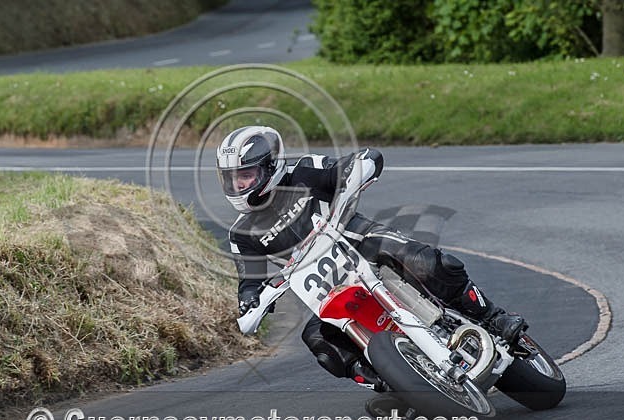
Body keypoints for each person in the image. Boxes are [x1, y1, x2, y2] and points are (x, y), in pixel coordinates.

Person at [217, 125, 527, 393]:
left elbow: (357, 162)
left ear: (270, 167)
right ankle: (393, 385)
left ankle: (493, 317)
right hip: (328, 291)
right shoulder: (241, 234)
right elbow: (249, 281)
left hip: (363, 242)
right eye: (231, 179)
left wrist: (358, 169)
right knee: (318, 340)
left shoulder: (303, 170)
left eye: (246, 175)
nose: (239, 185)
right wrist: (250, 301)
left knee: (428, 262)